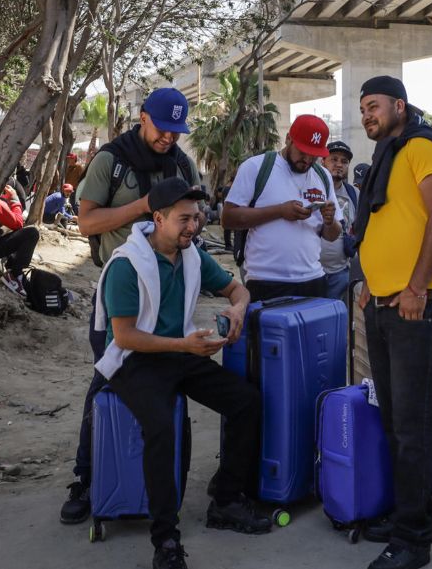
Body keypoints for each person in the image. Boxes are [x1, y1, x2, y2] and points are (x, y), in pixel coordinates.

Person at [96, 178, 266, 569]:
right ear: (158, 218)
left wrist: (237, 310)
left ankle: (226, 499)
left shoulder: (191, 255)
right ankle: (166, 539)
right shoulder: (127, 263)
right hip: (133, 359)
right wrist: (184, 346)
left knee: (246, 401)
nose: (194, 226)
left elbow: (238, 291)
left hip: (178, 352)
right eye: (184, 218)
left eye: (198, 217)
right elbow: (124, 336)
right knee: (160, 428)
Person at [61, 87, 201, 526]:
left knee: (169, 385)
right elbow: (85, 221)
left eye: (177, 131)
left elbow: (197, 210)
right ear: (143, 118)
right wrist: (143, 207)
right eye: (163, 129)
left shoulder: (180, 162)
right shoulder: (111, 160)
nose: (169, 138)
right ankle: (85, 480)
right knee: (104, 383)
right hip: (120, 289)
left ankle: (162, 481)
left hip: (168, 293)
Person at [352, 75, 432, 569]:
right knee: (396, 419)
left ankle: (413, 540)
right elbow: (385, 223)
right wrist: (369, 283)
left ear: (400, 104)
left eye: (373, 106)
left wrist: (416, 287)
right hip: (383, 303)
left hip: (416, 304)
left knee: (413, 423)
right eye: (362, 109)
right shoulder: (385, 155)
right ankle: (407, 514)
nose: (367, 116)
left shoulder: (422, 147)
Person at [221, 114, 341, 301]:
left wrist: (330, 220)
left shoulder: (323, 176)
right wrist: (280, 211)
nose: (307, 160)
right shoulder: (256, 167)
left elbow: (332, 235)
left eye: (314, 155)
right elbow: (228, 218)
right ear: (288, 139)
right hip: (265, 281)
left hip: (313, 279)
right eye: (302, 152)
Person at [0, 184, 40, 292]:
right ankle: (15, 275)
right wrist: (14, 200)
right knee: (31, 233)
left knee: (8, 231)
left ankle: (10, 267)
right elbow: (18, 223)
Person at [319, 140, 359, 300]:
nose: (339, 165)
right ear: (323, 161)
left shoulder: (354, 194)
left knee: (338, 320)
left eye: (344, 161)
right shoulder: (312, 188)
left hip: (341, 274)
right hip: (311, 273)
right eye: (333, 159)